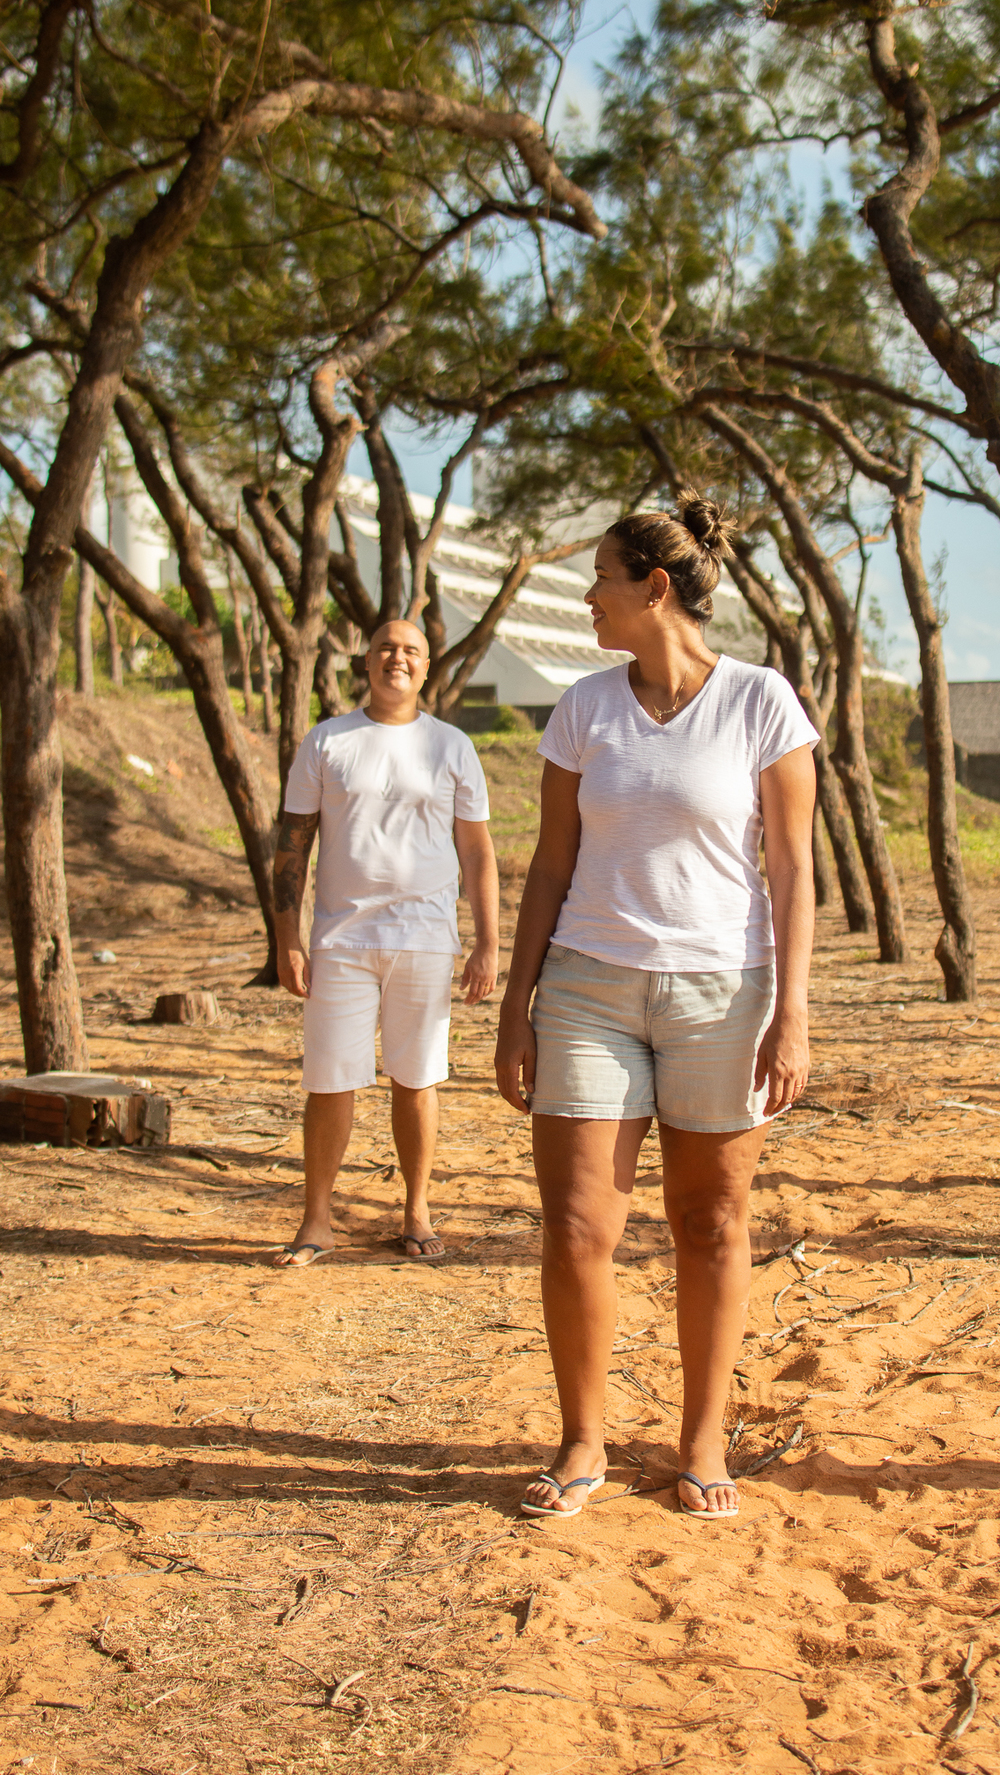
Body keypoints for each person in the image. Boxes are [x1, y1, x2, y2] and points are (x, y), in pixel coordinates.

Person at [495, 491, 817, 1520]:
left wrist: (795, 1010)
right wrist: (515, 1001)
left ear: (655, 588)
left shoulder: (763, 702)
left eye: (600, 580)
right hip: (587, 985)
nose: (589, 597)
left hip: (726, 992)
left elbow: (795, 870)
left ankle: (701, 1437)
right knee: (580, 1224)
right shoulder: (584, 708)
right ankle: (582, 1437)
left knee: (710, 1220)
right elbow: (550, 865)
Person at [273, 618, 499, 1267]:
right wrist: (288, 939)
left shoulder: (453, 746)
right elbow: (292, 844)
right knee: (329, 1081)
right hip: (341, 939)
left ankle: (416, 1206)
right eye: (385, 648)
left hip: (426, 939)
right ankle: (317, 1216)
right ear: (365, 661)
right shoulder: (327, 741)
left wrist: (488, 941)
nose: (396, 659)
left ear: (427, 669)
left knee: (417, 1078)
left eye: (411, 652)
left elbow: (477, 850)